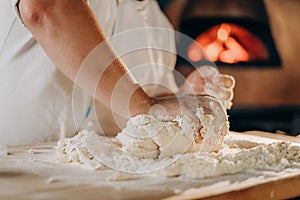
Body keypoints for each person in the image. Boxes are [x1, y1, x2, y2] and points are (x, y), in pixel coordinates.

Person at [0, 0, 234, 146]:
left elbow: (139, 109)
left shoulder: (156, 21)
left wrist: (181, 98)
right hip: (21, 172)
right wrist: (146, 107)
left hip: (104, 183)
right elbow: (46, 7)